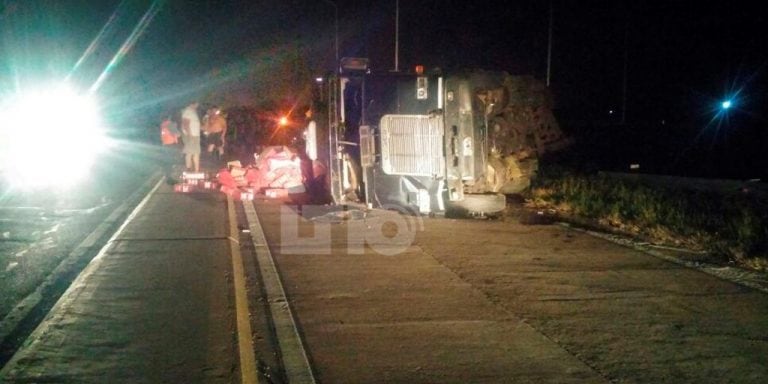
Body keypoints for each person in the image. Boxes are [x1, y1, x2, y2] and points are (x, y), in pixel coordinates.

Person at [181, 101, 201, 172]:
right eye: (196, 104)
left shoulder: (192, 112)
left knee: (192, 152)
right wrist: (190, 135)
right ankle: (193, 169)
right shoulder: (188, 111)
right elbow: (185, 124)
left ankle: (192, 169)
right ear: (192, 104)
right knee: (193, 153)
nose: (197, 106)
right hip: (192, 136)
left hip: (194, 135)